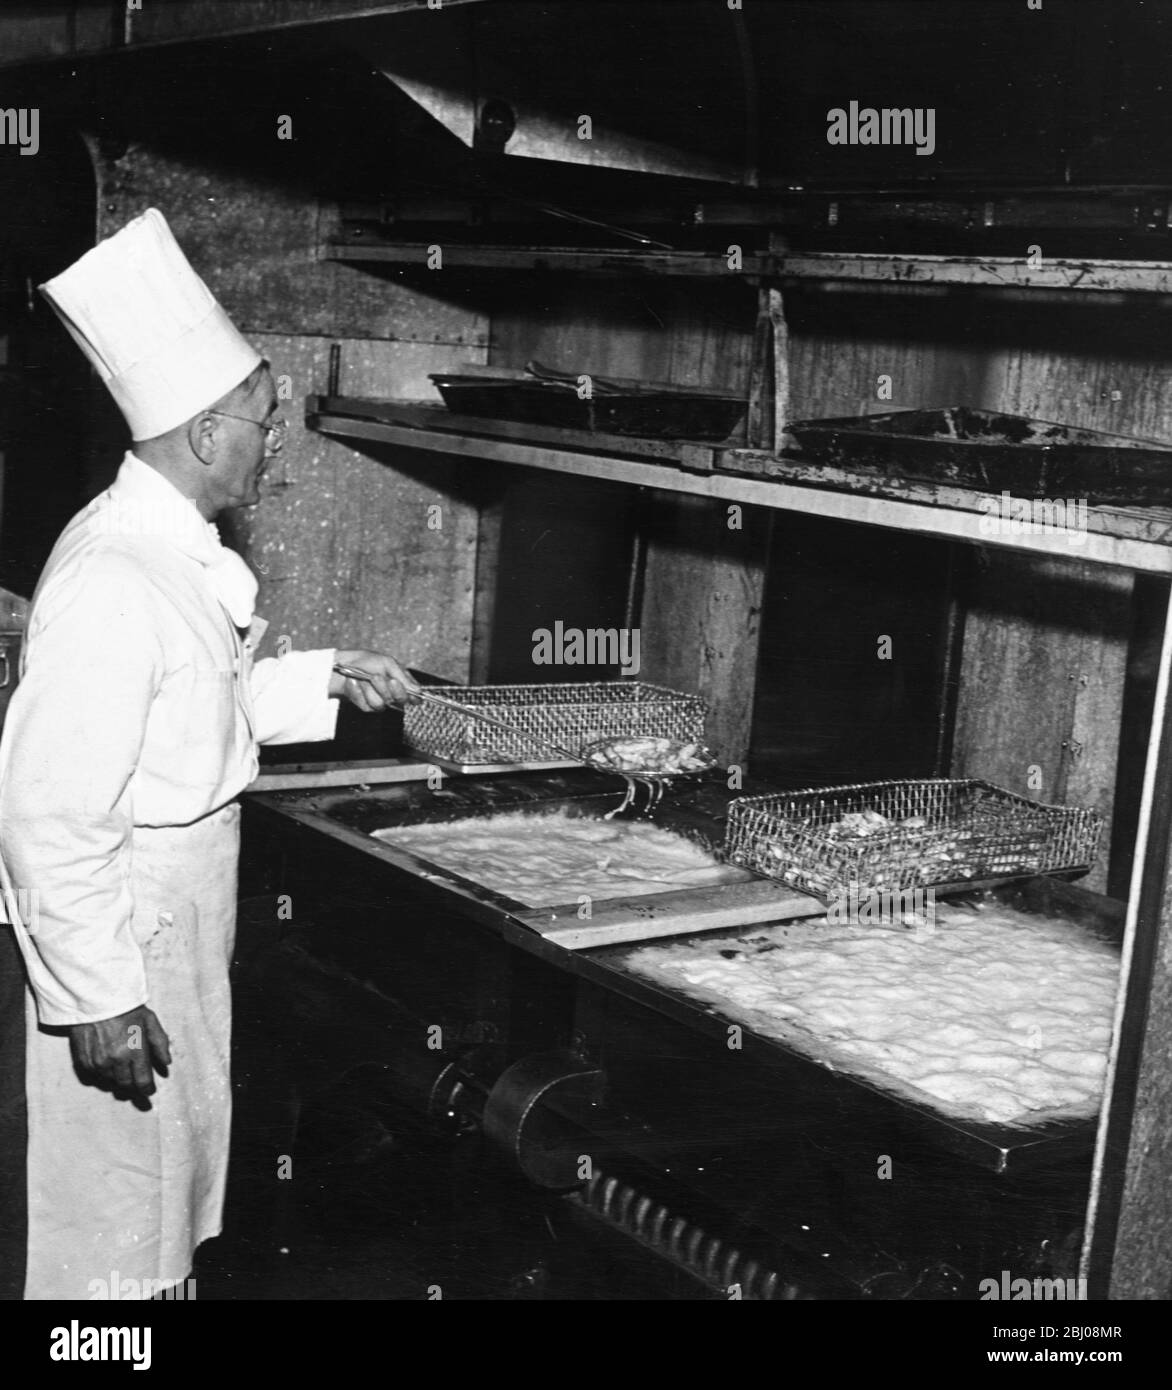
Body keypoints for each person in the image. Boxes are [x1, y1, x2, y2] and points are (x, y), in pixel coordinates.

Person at [0, 208, 419, 1300]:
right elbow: (49, 812)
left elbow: (193, 706)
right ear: (200, 434)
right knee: (108, 1222)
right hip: (124, 930)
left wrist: (323, 673)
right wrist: (93, 998)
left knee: (158, 1198)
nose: (275, 440)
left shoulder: (168, 554)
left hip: (172, 921)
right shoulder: (112, 578)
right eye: (263, 421)